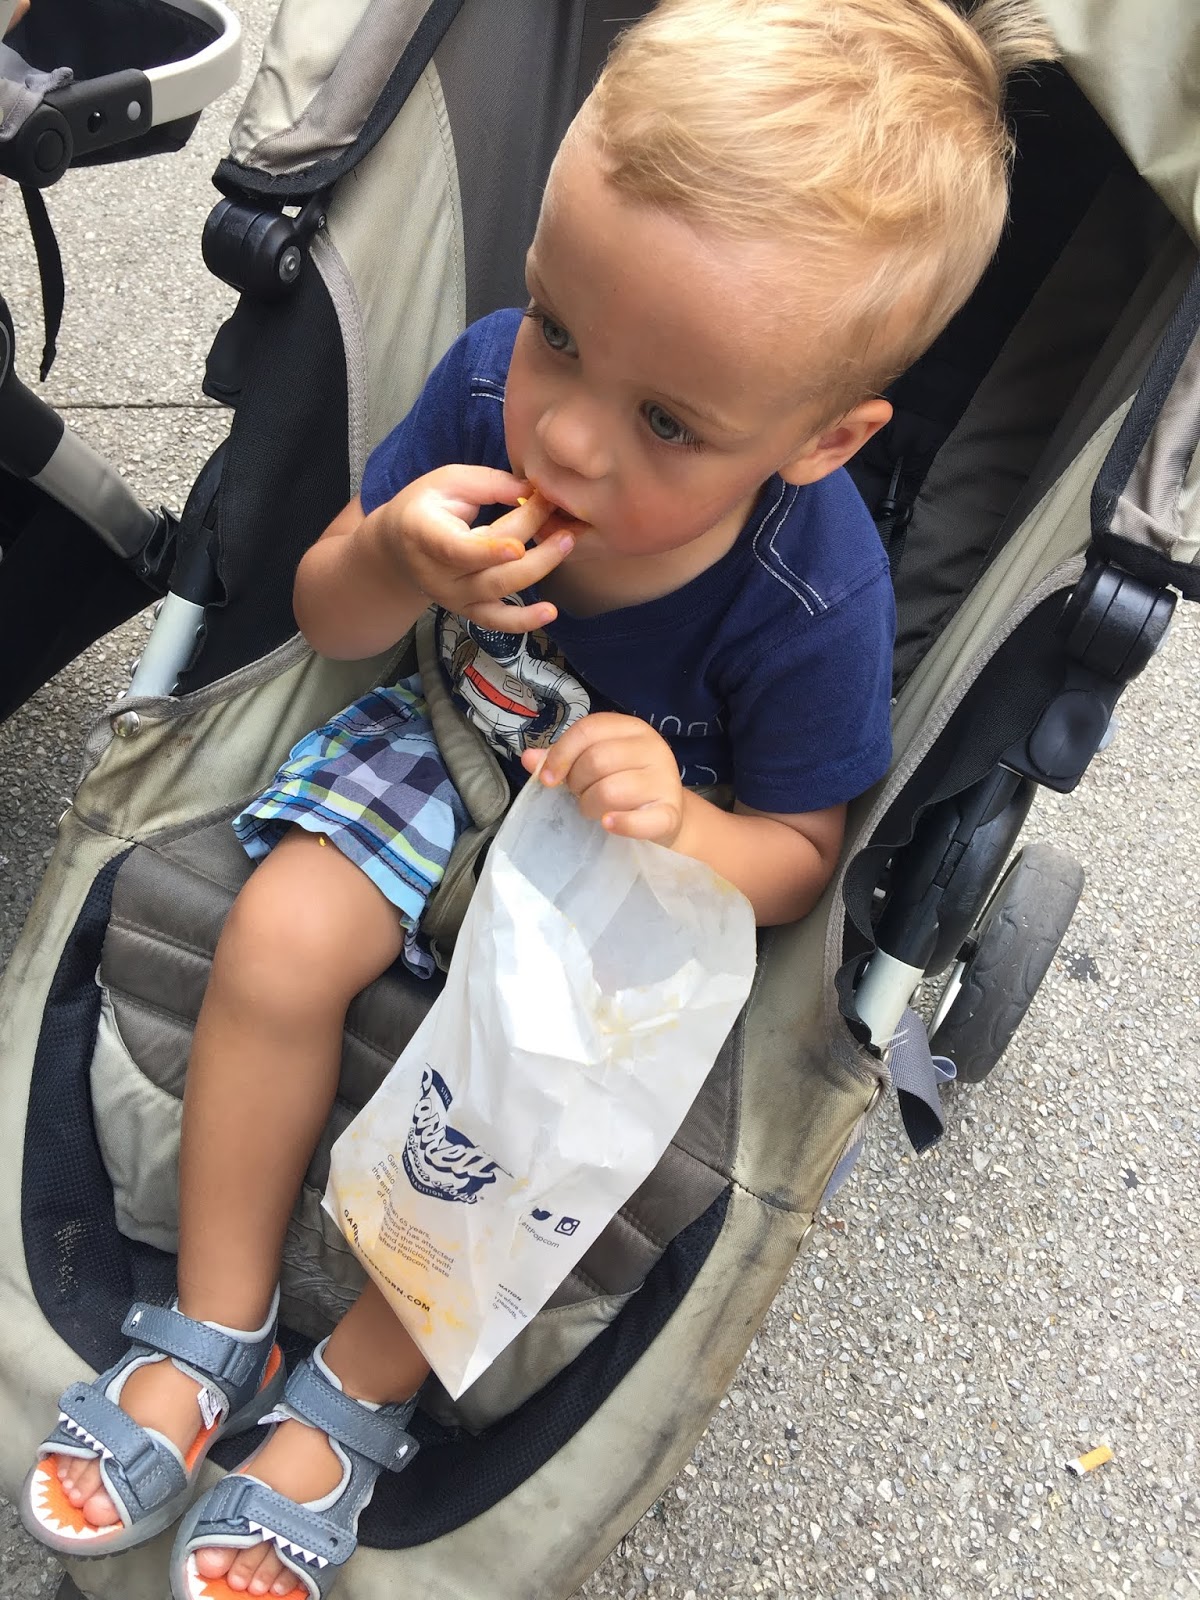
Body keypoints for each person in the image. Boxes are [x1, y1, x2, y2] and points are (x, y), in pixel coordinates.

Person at [21, 1, 1056, 1595]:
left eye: (668, 422)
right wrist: (391, 554)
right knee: (280, 935)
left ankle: (360, 1385)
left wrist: (689, 824)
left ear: (823, 439)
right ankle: (215, 1321)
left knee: (550, 1104)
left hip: (636, 859)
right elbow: (330, 620)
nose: (566, 430)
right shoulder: (481, 387)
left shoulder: (811, 592)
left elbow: (801, 858)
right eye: (561, 331)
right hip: (446, 736)